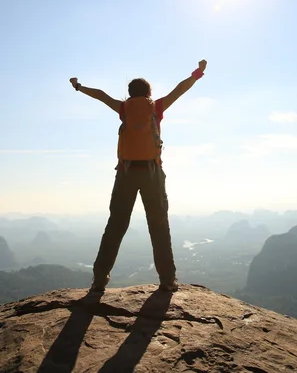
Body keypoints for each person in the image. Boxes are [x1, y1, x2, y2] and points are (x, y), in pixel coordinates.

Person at [69, 59, 207, 293]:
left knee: (115, 225)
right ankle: (167, 280)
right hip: (152, 173)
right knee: (159, 226)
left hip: (126, 173)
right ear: (149, 93)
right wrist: (198, 73)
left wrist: (79, 87)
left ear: (129, 94)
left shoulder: (124, 108)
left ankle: (99, 280)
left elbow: (101, 95)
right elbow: (180, 89)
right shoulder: (157, 108)